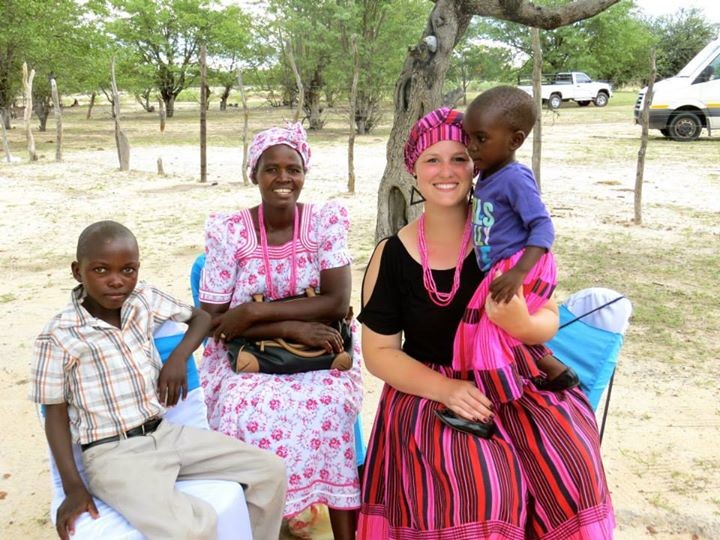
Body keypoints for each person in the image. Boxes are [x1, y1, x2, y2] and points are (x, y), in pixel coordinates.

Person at [357, 108, 614, 538]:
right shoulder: (392, 255)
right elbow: (379, 353)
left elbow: (548, 317)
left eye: (460, 158)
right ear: (413, 169)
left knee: (572, 467)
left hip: (518, 384)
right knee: (482, 489)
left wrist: (523, 325)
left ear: (477, 161)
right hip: (430, 394)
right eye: (432, 160)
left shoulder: (508, 234)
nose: (447, 171)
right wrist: (449, 390)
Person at [29, 220, 287, 540]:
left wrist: (178, 357)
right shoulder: (57, 336)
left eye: (128, 269)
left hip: (167, 434)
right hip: (114, 455)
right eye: (100, 270)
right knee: (193, 527)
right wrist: (72, 489)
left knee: (270, 472)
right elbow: (54, 415)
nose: (116, 281)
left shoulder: (142, 299)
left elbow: (201, 317)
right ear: (77, 271)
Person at [198, 122, 363, 539]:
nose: (283, 179)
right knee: (242, 405)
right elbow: (214, 318)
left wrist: (253, 314)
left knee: (331, 402)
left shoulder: (325, 222)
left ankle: (343, 530)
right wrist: (291, 323)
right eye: (271, 169)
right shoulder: (230, 232)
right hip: (245, 356)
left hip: (321, 349)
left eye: (294, 169)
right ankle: (260, 520)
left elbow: (336, 302)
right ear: (253, 173)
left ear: (304, 173)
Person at [462, 85, 579, 395]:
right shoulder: (487, 174)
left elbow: (543, 228)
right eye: (468, 138)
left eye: (481, 139)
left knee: (487, 333)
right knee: (502, 330)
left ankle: (488, 406)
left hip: (521, 263)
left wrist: (518, 273)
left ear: (515, 140)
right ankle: (556, 371)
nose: (471, 147)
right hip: (506, 266)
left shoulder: (515, 177)